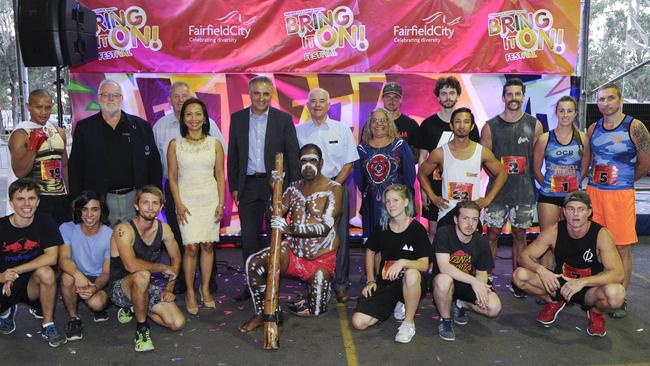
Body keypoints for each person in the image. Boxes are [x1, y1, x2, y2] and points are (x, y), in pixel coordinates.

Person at [239, 144, 343, 332]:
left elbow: (325, 227)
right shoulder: (293, 188)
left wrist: (289, 228)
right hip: (293, 253)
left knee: (317, 311)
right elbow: (273, 216)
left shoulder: (334, 189)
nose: (308, 165)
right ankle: (264, 313)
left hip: (320, 259)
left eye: (313, 161)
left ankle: (317, 294)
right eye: (304, 161)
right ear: (298, 164)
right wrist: (274, 190)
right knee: (254, 263)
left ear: (321, 163)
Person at [513, 191, 626, 337]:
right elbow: (523, 257)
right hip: (561, 283)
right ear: (564, 212)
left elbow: (618, 273)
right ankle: (553, 301)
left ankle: (596, 313)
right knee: (519, 276)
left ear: (589, 212)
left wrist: (582, 282)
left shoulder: (601, 234)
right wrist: (541, 270)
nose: (576, 214)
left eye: (581, 209)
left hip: (589, 288)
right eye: (571, 209)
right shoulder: (554, 231)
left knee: (616, 294)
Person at [227, 75, 300, 301]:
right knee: (248, 238)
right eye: (257, 93)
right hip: (248, 185)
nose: (261, 98)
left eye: (266, 94)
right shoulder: (238, 118)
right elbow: (234, 156)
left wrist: (293, 189)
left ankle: (271, 284)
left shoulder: (283, 119)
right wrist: (235, 188)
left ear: (271, 95)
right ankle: (252, 284)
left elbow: (292, 155)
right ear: (250, 94)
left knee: (274, 237)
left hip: (275, 188)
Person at [153, 81, 226, 295]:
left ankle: (207, 284)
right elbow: (159, 164)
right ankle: (185, 284)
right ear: (169, 101)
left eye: (184, 95)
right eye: (175, 96)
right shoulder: (161, 128)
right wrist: (170, 199)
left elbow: (219, 170)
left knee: (207, 243)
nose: (180, 100)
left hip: (208, 193)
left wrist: (220, 202)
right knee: (184, 241)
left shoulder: (211, 130)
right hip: (177, 191)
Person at [586, 84, 650, 318]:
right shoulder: (593, 128)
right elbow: (589, 160)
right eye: (601, 99)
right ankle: (599, 292)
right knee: (595, 244)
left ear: (620, 99)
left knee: (621, 246)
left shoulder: (635, 126)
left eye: (610, 98)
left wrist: (623, 181)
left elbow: (645, 162)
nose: (605, 103)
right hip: (595, 193)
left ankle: (621, 296)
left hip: (621, 195)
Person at [480, 77, 543, 297]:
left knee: (520, 234)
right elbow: (486, 162)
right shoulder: (490, 126)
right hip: (497, 193)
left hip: (524, 191)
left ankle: (518, 280)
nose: (513, 98)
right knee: (492, 235)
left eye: (517, 94)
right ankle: (486, 278)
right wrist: (500, 179)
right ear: (503, 97)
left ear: (522, 96)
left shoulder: (534, 125)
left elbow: (537, 161)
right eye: (509, 94)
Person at [69, 79, 162, 226]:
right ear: (99, 98)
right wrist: (76, 198)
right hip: (99, 199)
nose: (111, 99)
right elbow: (75, 166)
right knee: (105, 245)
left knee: (134, 245)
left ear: (121, 98)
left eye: (115, 95)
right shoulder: (84, 128)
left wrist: (157, 195)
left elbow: (154, 164)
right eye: (106, 95)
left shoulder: (141, 126)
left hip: (135, 199)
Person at [296, 87, 359, 303]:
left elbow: (349, 162)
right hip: (308, 192)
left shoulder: (341, 130)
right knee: (309, 238)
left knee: (339, 239)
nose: (317, 105)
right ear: (307, 105)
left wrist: (331, 188)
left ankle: (340, 284)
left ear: (328, 104)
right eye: (313, 101)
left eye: (322, 101)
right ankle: (310, 282)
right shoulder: (299, 131)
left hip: (336, 190)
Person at [108, 186, 185, 352]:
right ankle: (142, 329)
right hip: (119, 288)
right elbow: (130, 265)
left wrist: (170, 287)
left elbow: (176, 257)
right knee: (142, 275)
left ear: (161, 207)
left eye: (155, 203)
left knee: (177, 323)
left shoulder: (164, 229)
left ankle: (137, 306)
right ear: (136, 205)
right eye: (145, 203)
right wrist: (162, 267)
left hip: (144, 286)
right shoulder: (124, 229)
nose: (150, 207)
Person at [351, 184, 430, 344]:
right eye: (387, 201)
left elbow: (424, 265)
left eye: (395, 200)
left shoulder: (417, 229)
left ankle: (408, 323)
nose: (391, 205)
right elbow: (370, 251)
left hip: (411, 282)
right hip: (386, 282)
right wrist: (371, 280)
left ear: (406, 202)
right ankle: (396, 303)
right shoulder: (382, 226)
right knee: (359, 322)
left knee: (411, 273)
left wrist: (403, 262)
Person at [167, 98, 225, 315]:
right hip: (187, 201)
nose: (193, 119)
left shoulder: (215, 143)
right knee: (191, 247)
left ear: (205, 117)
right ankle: (190, 291)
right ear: (183, 118)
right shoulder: (175, 144)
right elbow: (172, 178)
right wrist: (178, 204)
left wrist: (221, 203)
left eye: (198, 114)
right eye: (189, 114)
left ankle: (205, 289)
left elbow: (220, 175)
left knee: (208, 246)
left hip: (209, 200)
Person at [0, 178, 67, 347]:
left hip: (32, 285)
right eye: (20, 199)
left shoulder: (45, 221)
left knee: (47, 272)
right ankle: (6, 311)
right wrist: (1, 276)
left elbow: (52, 257)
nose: (26, 204)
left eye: (31, 198)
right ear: (11, 202)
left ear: (38, 201)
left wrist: (15, 271)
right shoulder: (1, 226)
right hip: (4, 284)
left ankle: (48, 325)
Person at [418, 107, 507, 227]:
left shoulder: (482, 152)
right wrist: (433, 197)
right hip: (447, 214)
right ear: (451, 125)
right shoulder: (440, 153)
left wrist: (488, 199)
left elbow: (502, 174)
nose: (461, 125)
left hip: (472, 216)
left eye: (466, 122)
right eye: (457, 121)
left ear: (471, 126)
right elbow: (422, 173)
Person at [418, 76, 480, 242]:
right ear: (438, 97)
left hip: (462, 184)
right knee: (433, 229)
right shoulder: (428, 124)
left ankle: (462, 264)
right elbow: (422, 156)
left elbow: (477, 157)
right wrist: (424, 190)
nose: (448, 97)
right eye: (443, 93)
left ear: (458, 95)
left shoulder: (468, 125)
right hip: (435, 185)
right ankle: (433, 266)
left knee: (464, 226)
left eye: (451, 93)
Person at [533, 96, 590, 269]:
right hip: (549, 197)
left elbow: (584, 169)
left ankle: (567, 281)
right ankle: (547, 289)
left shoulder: (583, 139)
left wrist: (572, 189)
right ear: (556, 112)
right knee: (547, 241)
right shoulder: (544, 139)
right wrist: (549, 185)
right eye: (561, 110)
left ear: (575, 113)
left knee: (571, 240)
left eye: (569, 111)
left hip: (573, 199)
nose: (565, 115)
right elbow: (536, 169)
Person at [433, 200, 501, 341]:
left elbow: (482, 273)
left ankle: (461, 303)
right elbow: (444, 267)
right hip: (445, 281)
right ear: (455, 219)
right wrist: (474, 282)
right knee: (443, 280)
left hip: (466, 283)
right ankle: (445, 320)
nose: (470, 224)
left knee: (494, 308)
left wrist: (481, 290)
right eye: (465, 218)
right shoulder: (444, 233)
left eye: (474, 219)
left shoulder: (481, 242)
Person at [8, 89, 69, 224]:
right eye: (38, 107)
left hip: (60, 197)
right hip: (36, 198)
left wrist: (71, 195)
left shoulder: (59, 132)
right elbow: (19, 172)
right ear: (28, 106)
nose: (44, 112)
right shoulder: (21, 134)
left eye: (47, 107)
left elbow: (64, 165)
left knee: (64, 240)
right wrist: (33, 147)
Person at [58, 190, 112, 341]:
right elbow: (64, 260)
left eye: (94, 209)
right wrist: (78, 275)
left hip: (98, 279)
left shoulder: (109, 234)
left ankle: (95, 304)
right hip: (76, 275)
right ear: (78, 211)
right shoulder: (66, 228)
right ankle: (74, 318)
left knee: (97, 303)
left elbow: (106, 273)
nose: (89, 215)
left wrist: (94, 287)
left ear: (101, 211)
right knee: (67, 277)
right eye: (84, 209)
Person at [355, 108, 416, 237]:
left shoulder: (400, 145)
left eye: (383, 120)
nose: (379, 124)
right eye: (375, 121)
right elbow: (360, 180)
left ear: (389, 124)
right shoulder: (361, 148)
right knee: (373, 245)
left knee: (396, 243)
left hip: (397, 204)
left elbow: (409, 176)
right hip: (371, 205)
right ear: (369, 125)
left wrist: (407, 201)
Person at [382, 82, 419, 159]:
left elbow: (417, 154)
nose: (391, 100)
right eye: (388, 97)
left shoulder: (411, 124)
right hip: (379, 169)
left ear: (401, 99)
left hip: (404, 170)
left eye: (395, 97)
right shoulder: (373, 124)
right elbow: (364, 152)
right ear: (383, 99)